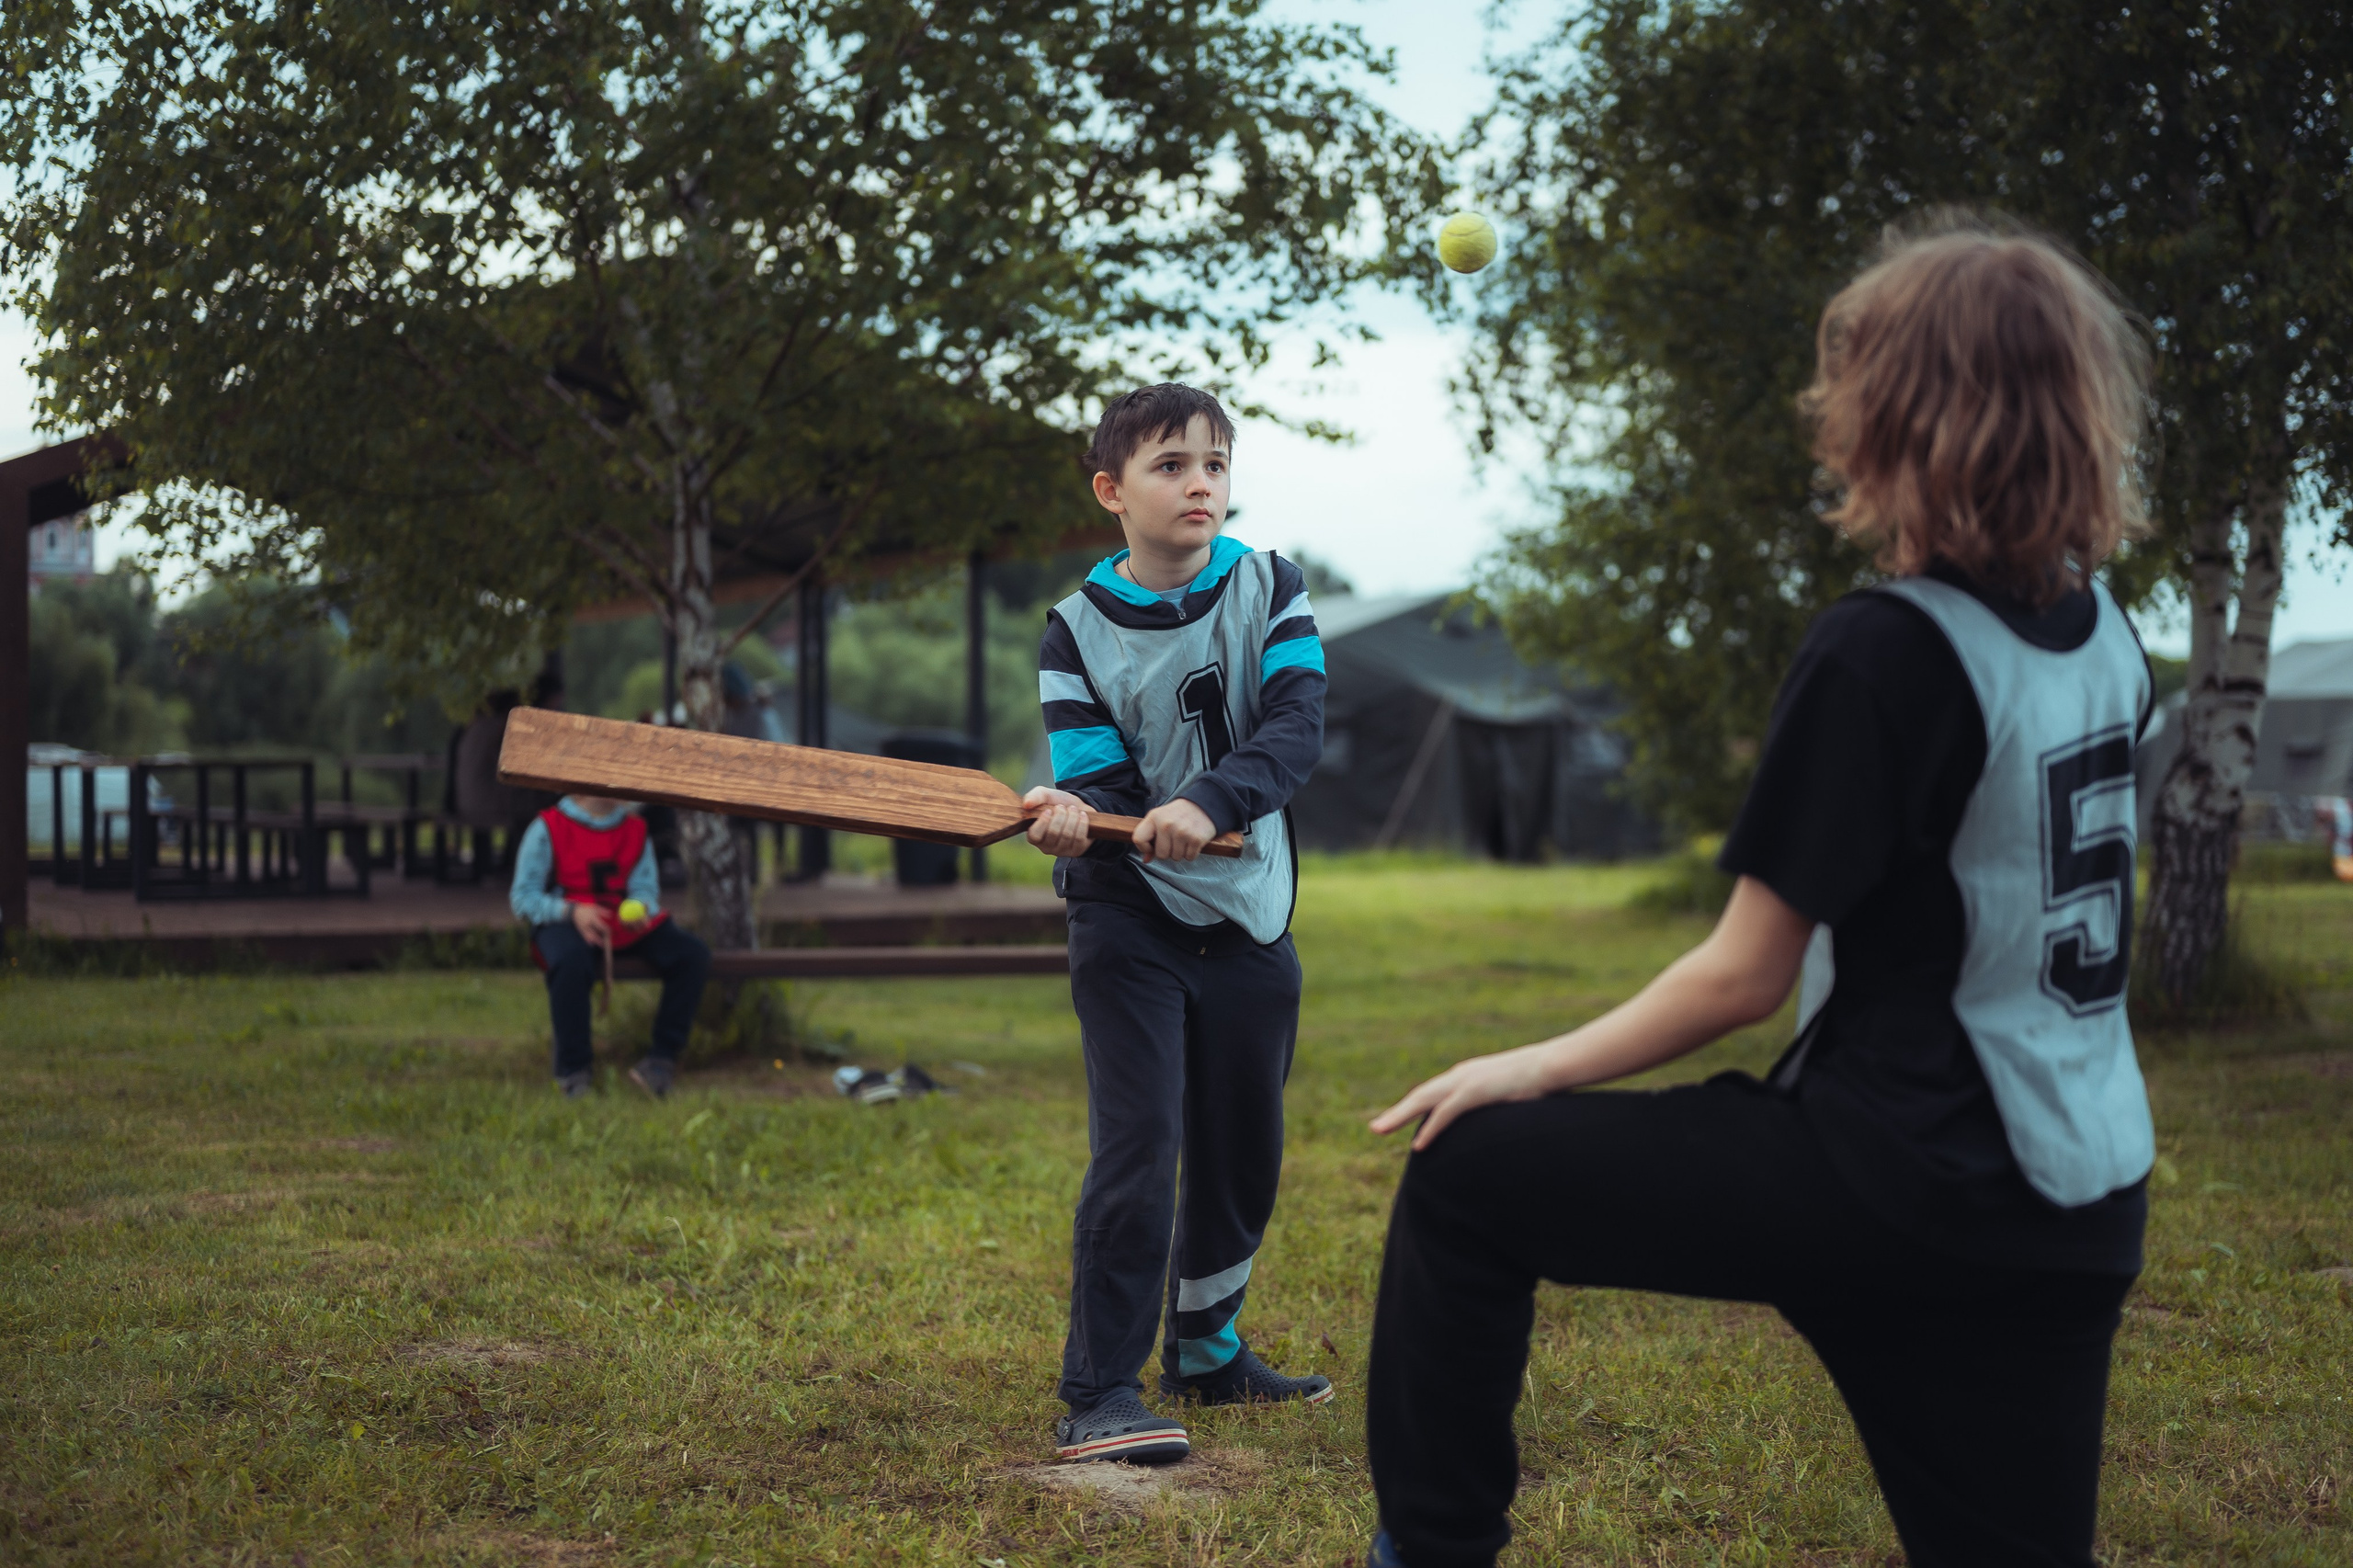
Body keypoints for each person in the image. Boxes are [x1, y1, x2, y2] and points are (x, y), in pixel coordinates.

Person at [1360, 215, 2157, 1568]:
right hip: (2077, 1204)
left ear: (1891, 413)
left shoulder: (1884, 647)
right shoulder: (2107, 630)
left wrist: (1528, 1063)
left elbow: (1746, 973)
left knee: (1469, 1172)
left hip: (1892, 1178)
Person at [1023, 382, 1333, 1465]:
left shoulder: (1270, 584)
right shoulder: (1072, 630)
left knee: (1243, 1146)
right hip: (1129, 919)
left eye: (1214, 462)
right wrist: (1081, 820)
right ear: (1112, 491)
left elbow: (1297, 724)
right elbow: (1095, 783)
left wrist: (1208, 800)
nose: (1200, 480)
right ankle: (1101, 1388)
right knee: (1142, 1142)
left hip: (1248, 912)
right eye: (1170, 464)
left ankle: (1206, 1351)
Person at [510, 792, 711, 1099]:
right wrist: (571, 911)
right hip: (565, 918)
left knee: (692, 955)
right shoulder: (548, 826)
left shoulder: (634, 828)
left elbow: (644, 890)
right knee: (570, 962)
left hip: (619, 921)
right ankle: (574, 1070)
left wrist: (640, 908)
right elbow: (524, 898)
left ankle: (661, 1060)